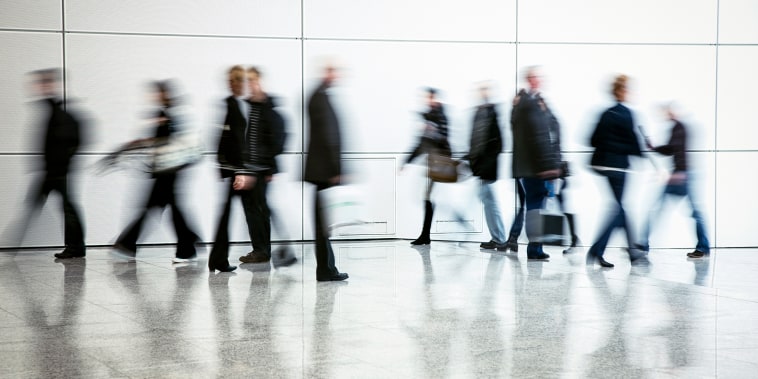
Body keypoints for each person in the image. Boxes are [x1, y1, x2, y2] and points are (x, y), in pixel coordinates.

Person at [209, 66, 293, 272]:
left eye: (253, 80)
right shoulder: (244, 105)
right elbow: (237, 140)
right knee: (256, 211)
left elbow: (272, 139)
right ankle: (263, 251)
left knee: (260, 211)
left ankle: (267, 251)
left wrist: (261, 168)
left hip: (255, 170)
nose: (250, 84)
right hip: (247, 169)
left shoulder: (262, 107)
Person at [113, 80, 200, 263]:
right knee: (169, 208)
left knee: (157, 208)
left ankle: (129, 243)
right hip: (165, 170)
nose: (154, 97)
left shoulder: (175, 113)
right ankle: (188, 243)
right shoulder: (165, 113)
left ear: (165, 93)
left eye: (157, 93)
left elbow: (174, 142)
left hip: (170, 170)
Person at [16, 68, 86, 259]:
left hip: (58, 171)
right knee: (54, 207)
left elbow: (72, 141)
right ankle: (76, 247)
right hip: (53, 170)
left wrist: (62, 163)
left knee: (66, 209)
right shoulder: (52, 111)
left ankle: (76, 248)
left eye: (44, 83)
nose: (39, 87)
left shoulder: (61, 114)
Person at [586, 74, 646, 268]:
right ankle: (597, 250)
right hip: (619, 168)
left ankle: (632, 252)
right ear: (622, 91)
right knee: (619, 210)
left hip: (603, 166)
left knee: (620, 209)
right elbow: (633, 142)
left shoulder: (606, 113)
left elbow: (592, 140)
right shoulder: (627, 114)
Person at [638, 103, 710, 258]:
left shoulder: (679, 128)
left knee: (693, 213)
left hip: (682, 176)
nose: (666, 114)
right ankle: (643, 244)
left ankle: (703, 247)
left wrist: (679, 173)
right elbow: (670, 150)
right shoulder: (677, 128)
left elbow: (675, 149)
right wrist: (654, 148)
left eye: (668, 111)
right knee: (690, 212)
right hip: (681, 175)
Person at [510, 66, 561, 260]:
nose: (539, 80)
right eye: (536, 77)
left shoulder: (521, 103)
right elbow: (541, 136)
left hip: (526, 166)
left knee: (533, 206)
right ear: (530, 80)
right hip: (537, 167)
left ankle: (534, 247)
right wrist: (549, 165)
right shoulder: (531, 103)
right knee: (535, 206)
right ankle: (534, 248)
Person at [304, 65, 349, 282]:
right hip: (324, 171)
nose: (337, 75)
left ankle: (327, 268)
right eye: (334, 71)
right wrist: (336, 169)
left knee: (323, 223)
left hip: (320, 170)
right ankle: (325, 269)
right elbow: (329, 135)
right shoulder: (320, 98)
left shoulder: (317, 96)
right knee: (323, 224)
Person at [403, 88, 451, 246]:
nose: (428, 100)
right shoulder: (430, 115)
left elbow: (444, 138)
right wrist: (407, 161)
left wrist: (431, 130)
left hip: (439, 162)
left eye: (430, 97)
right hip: (432, 162)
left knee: (428, 198)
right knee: (427, 198)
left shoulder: (440, 115)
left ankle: (426, 235)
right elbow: (421, 143)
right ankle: (425, 235)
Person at [465, 84, 506, 250]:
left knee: (490, 202)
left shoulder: (492, 114)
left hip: (486, 168)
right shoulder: (478, 114)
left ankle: (500, 238)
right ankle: (498, 237)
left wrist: (485, 165)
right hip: (479, 167)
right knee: (488, 201)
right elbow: (474, 141)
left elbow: (498, 144)